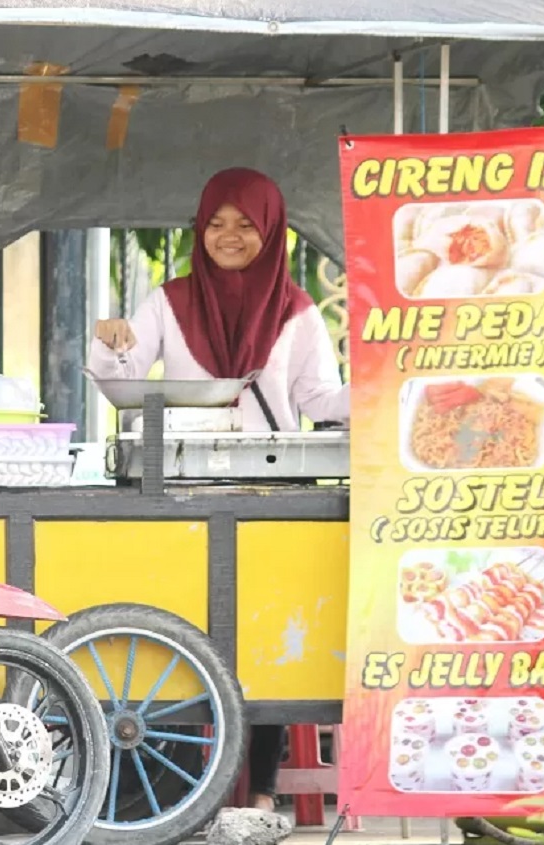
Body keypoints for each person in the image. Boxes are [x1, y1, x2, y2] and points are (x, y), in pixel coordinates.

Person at [88, 167, 351, 813]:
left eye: (246, 225)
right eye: (216, 223)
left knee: (260, 640)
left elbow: (321, 399)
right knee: (178, 629)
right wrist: (110, 340)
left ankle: (260, 795)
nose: (229, 236)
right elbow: (121, 378)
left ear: (272, 233)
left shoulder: (298, 311)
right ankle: (177, 792)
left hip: (271, 496)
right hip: (182, 490)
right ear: (198, 229)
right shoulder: (168, 302)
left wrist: (386, 376)